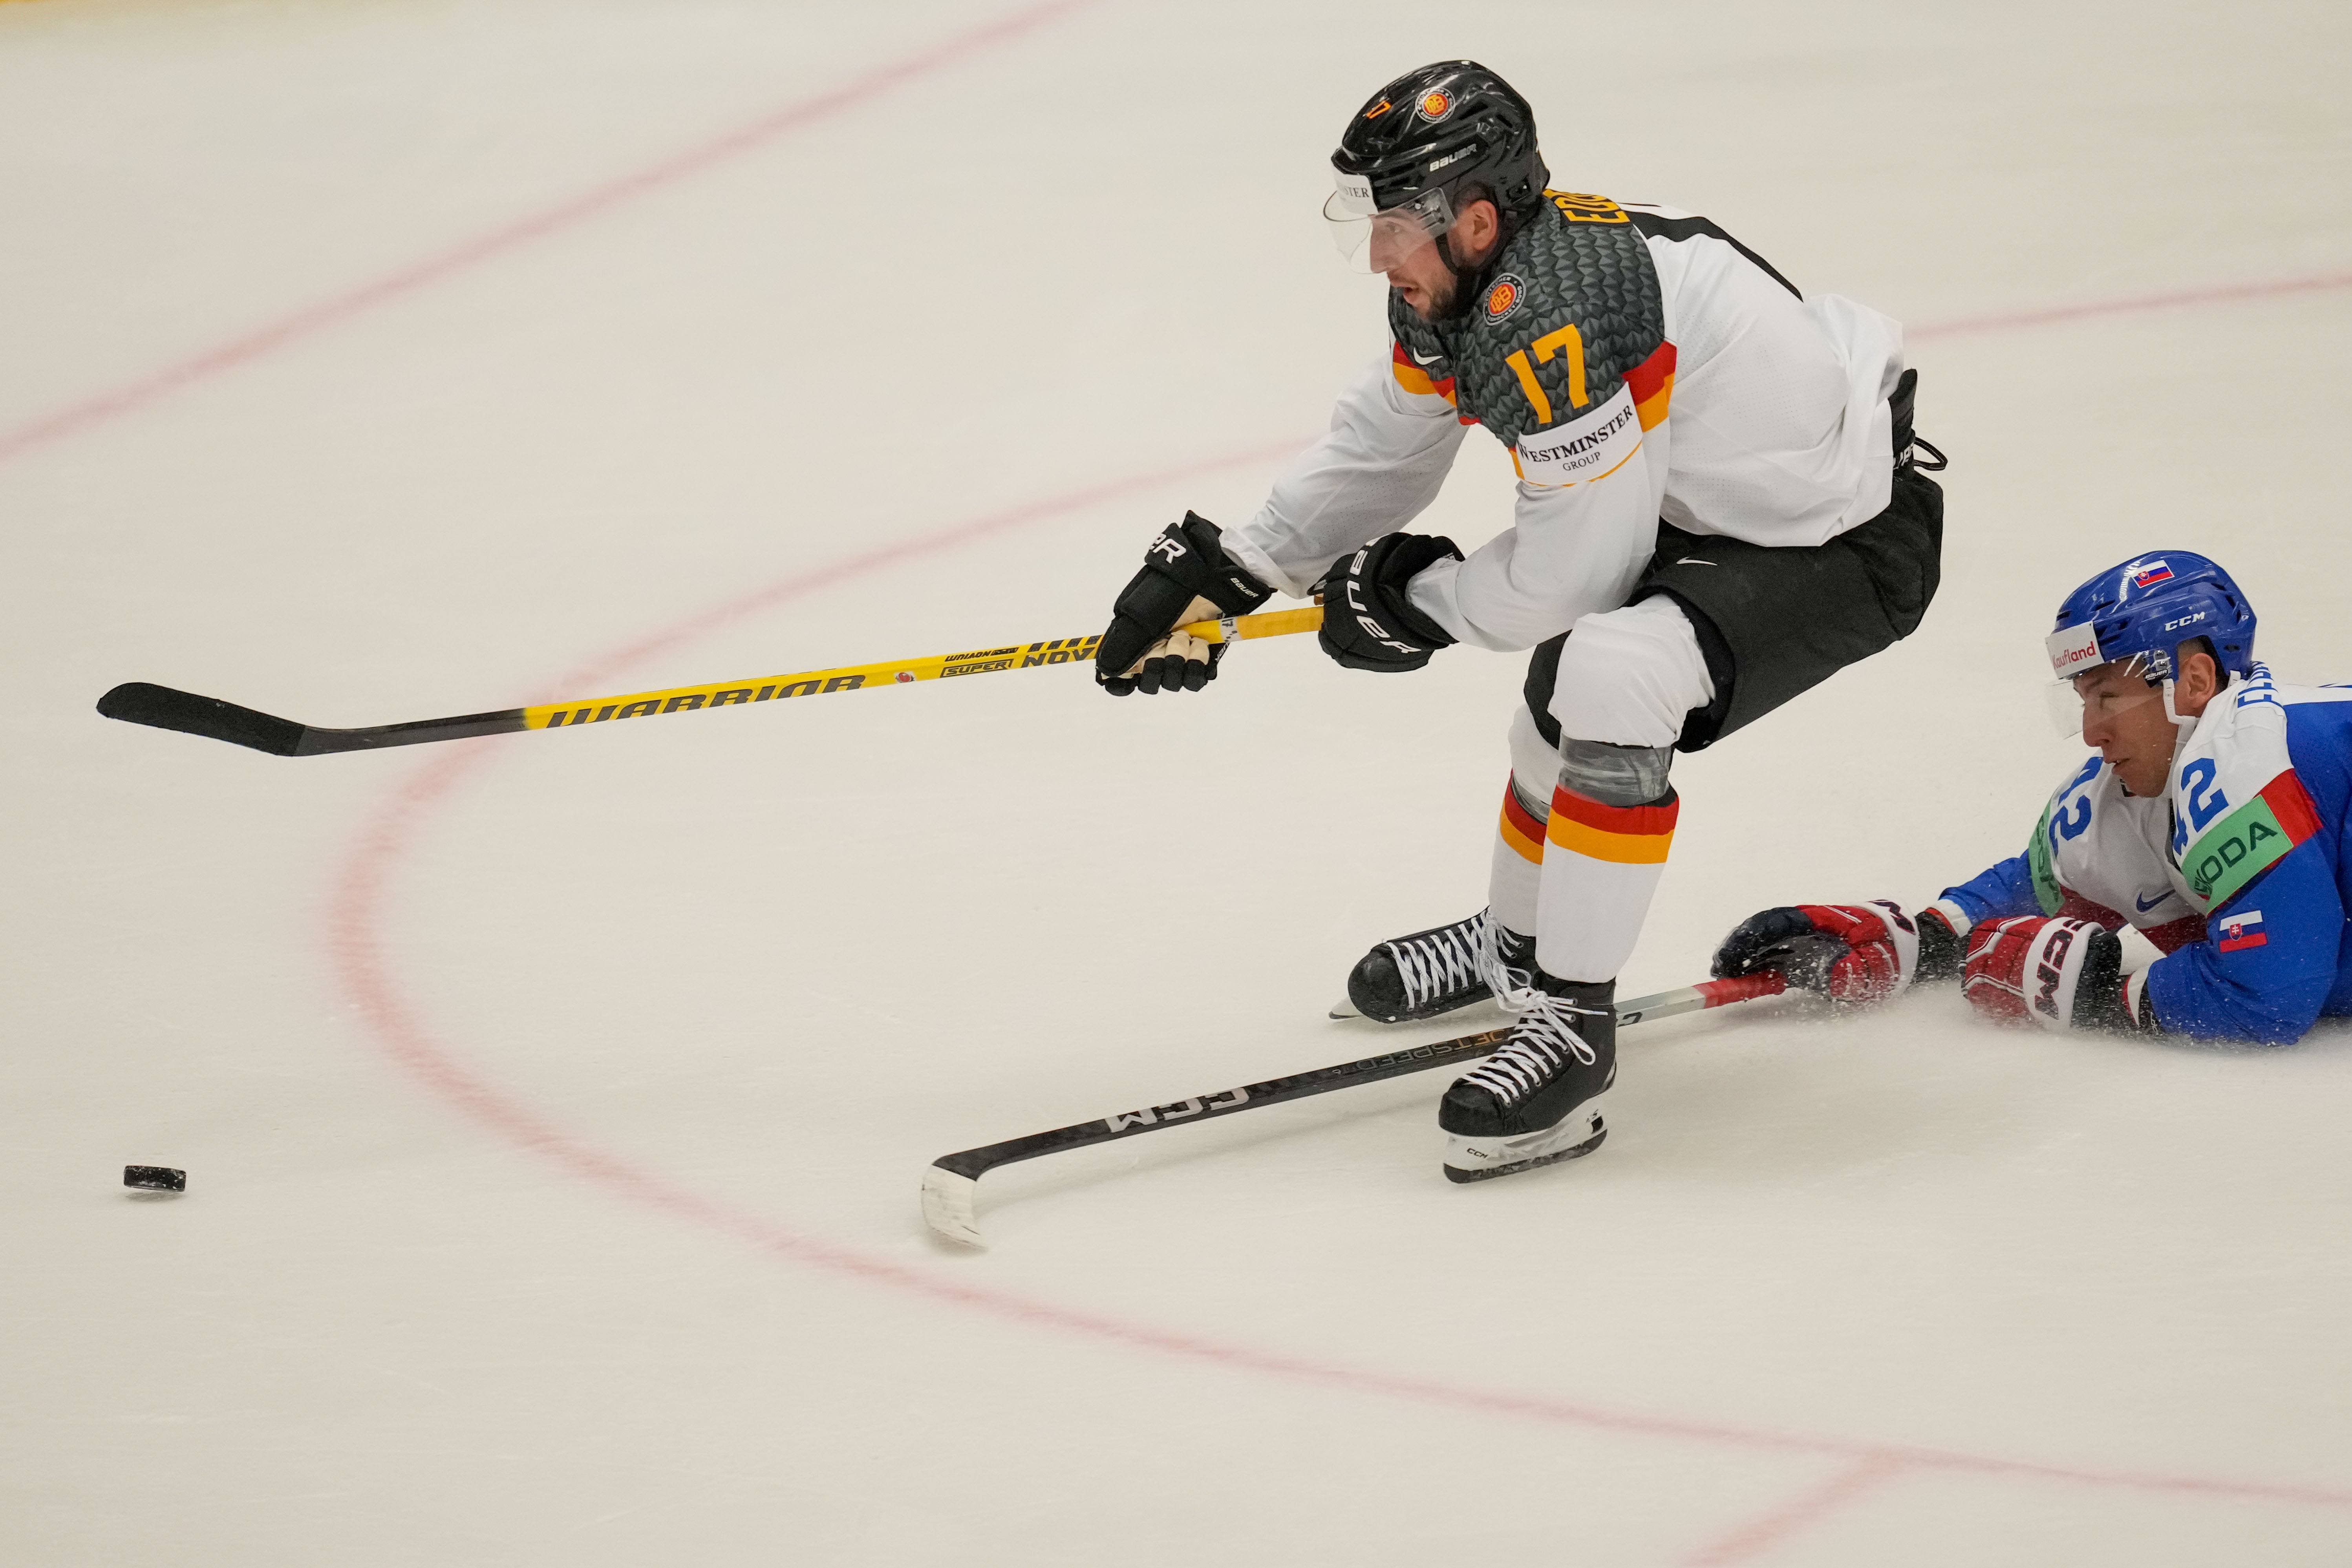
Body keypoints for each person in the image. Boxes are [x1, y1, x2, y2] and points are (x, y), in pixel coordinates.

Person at [1091, 61, 1946, 1181]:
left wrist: (1413, 601)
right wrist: (1243, 563)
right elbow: (1386, 445)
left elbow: (1573, 578)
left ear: (1476, 218)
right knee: (1566, 692)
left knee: (1609, 670)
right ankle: (1517, 945)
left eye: (1390, 225)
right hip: (1723, 500)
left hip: (1843, 536)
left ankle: (1568, 1029)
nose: (1373, 256)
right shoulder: (1465, 283)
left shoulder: (1552, 309)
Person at [1713, 552, 2352, 1045]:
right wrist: (1923, 938)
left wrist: (2097, 995)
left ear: (2193, 681)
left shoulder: (2247, 754)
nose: (2090, 729)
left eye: (2106, 697)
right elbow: (2048, 880)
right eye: (2080, 701)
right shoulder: (2139, 786)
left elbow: (2270, 996)